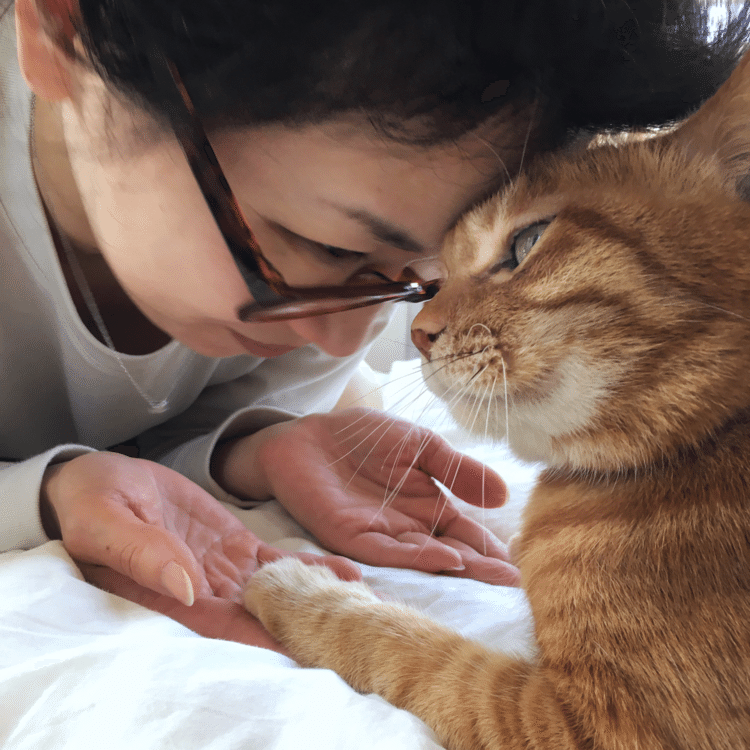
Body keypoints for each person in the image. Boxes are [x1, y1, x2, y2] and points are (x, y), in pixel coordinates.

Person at [3, 0, 747, 648]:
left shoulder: (333, 291)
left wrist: (248, 452)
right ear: (66, 34)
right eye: (330, 247)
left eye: (415, 275)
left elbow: (150, 433)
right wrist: (45, 492)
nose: (342, 342)